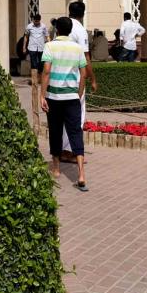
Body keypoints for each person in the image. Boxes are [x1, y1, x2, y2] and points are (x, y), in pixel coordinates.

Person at [41, 16, 88, 192]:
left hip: (54, 96)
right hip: (72, 97)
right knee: (75, 132)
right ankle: (81, 173)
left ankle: (57, 168)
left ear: (57, 30)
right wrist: (79, 92)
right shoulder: (77, 48)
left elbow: (46, 71)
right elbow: (83, 73)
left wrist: (42, 95)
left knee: (55, 131)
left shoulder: (50, 46)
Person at [67, 1, 97, 161]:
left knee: (63, 114)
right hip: (76, 77)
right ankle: (73, 150)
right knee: (77, 113)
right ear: (83, 14)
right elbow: (86, 58)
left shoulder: (63, 26)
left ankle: (63, 150)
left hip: (59, 76)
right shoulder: (80, 30)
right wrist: (93, 78)